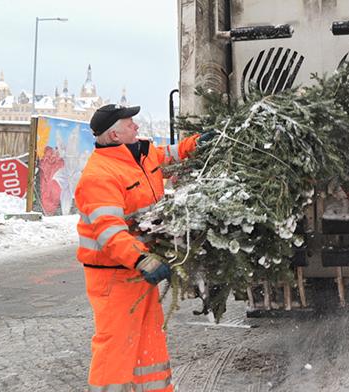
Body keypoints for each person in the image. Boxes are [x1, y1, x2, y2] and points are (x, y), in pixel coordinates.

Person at [74, 103, 203, 391]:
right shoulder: (100, 175)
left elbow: (169, 155)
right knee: (116, 346)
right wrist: (142, 259)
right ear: (114, 135)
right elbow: (109, 231)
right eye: (129, 123)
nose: (136, 126)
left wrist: (196, 144)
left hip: (139, 270)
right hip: (114, 275)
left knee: (149, 342)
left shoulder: (141, 155)